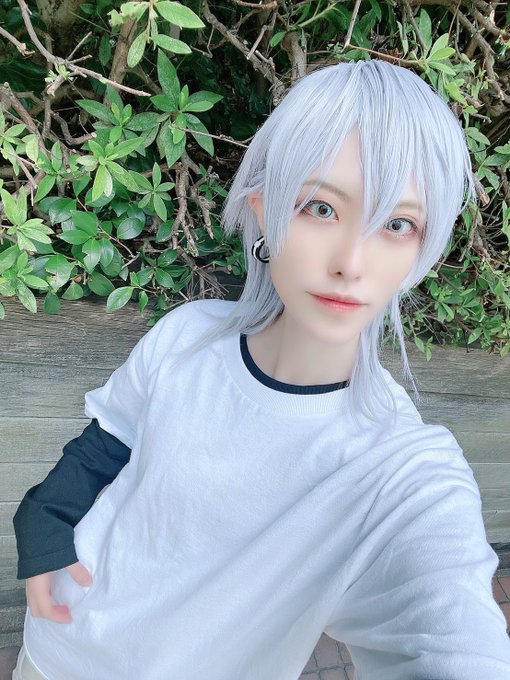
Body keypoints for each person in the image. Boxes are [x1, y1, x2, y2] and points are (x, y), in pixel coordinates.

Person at [12, 59, 510, 680]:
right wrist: (42, 526)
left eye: (397, 223)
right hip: (58, 648)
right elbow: (105, 445)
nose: (352, 262)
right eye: (321, 208)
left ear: (421, 250)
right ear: (264, 211)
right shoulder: (187, 335)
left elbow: (448, 630)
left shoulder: (399, 463)